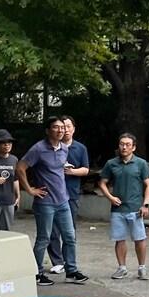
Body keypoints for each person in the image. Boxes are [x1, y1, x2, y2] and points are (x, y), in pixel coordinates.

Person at [17, 116, 89, 285]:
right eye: (56, 127)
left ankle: (71, 271)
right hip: (45, 202)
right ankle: (37, 273)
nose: (60, 130)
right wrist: (29, 189)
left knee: (70, 237)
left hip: (63, 200)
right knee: (44, 238)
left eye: (62, 128)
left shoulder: (64, 148)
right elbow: (20, 167)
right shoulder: (38, 149)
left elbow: (58, 169)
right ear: (48, 130)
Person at [98, 132, 149, 280]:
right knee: (119, 239)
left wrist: (145, 204)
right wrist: (110, 197)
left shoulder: (141, 164)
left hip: (136, 208)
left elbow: (148, 185)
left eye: (128, 145)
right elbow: (102, 183)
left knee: (140, 238)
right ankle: (122, 268)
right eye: (122, 144)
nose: (124, 147)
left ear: (134, 147)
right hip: (118, 209)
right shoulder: (111, 164)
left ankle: (142, 267)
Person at [48, 116, 90, 274]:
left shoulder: (80, 148)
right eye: (62, 127)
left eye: (68, 126)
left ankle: (69, 260)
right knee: (51, 230)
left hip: (71, 193)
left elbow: (86, 169)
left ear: (73, 129)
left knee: (69, 230)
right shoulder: (51, 147)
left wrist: (71, 171)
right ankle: (57, 261)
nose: (65, 130)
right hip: (52, 194)